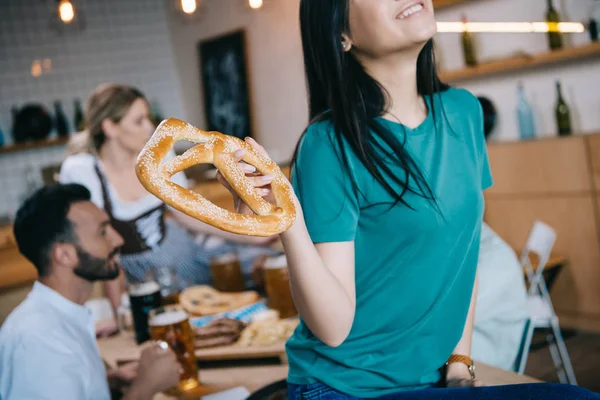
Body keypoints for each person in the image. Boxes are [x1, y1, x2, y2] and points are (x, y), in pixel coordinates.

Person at [217, 0, 598, 398]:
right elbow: (332, 327)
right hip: (345, 387)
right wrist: (288, 219)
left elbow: (461, 258)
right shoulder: (329, 144)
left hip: (430, 382)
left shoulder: (463, 113)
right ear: (341, 34)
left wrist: (459, 363)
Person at [59, 83, 278, 319]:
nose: (150, 127)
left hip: (186, 250)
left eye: (148, 118)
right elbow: (103, 244)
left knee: (264, 266)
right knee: (195, 309)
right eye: (139, 120)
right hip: (149, 276)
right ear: (110, 127)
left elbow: (190, 217)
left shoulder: (157, 154)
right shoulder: (83, 170)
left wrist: (250, 235)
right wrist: (117, 313)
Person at [0, 184, 180, 400]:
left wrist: (106, 381)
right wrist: (144, 388)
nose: (118, 240)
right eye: (103, 232)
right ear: (64, 255)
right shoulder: (38, 343)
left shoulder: (60, 316)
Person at [472, 222, 529, 371]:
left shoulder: (492, 259)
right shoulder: (476, 238)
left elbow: (449, 318)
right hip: (474, 337)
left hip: (491, 352)